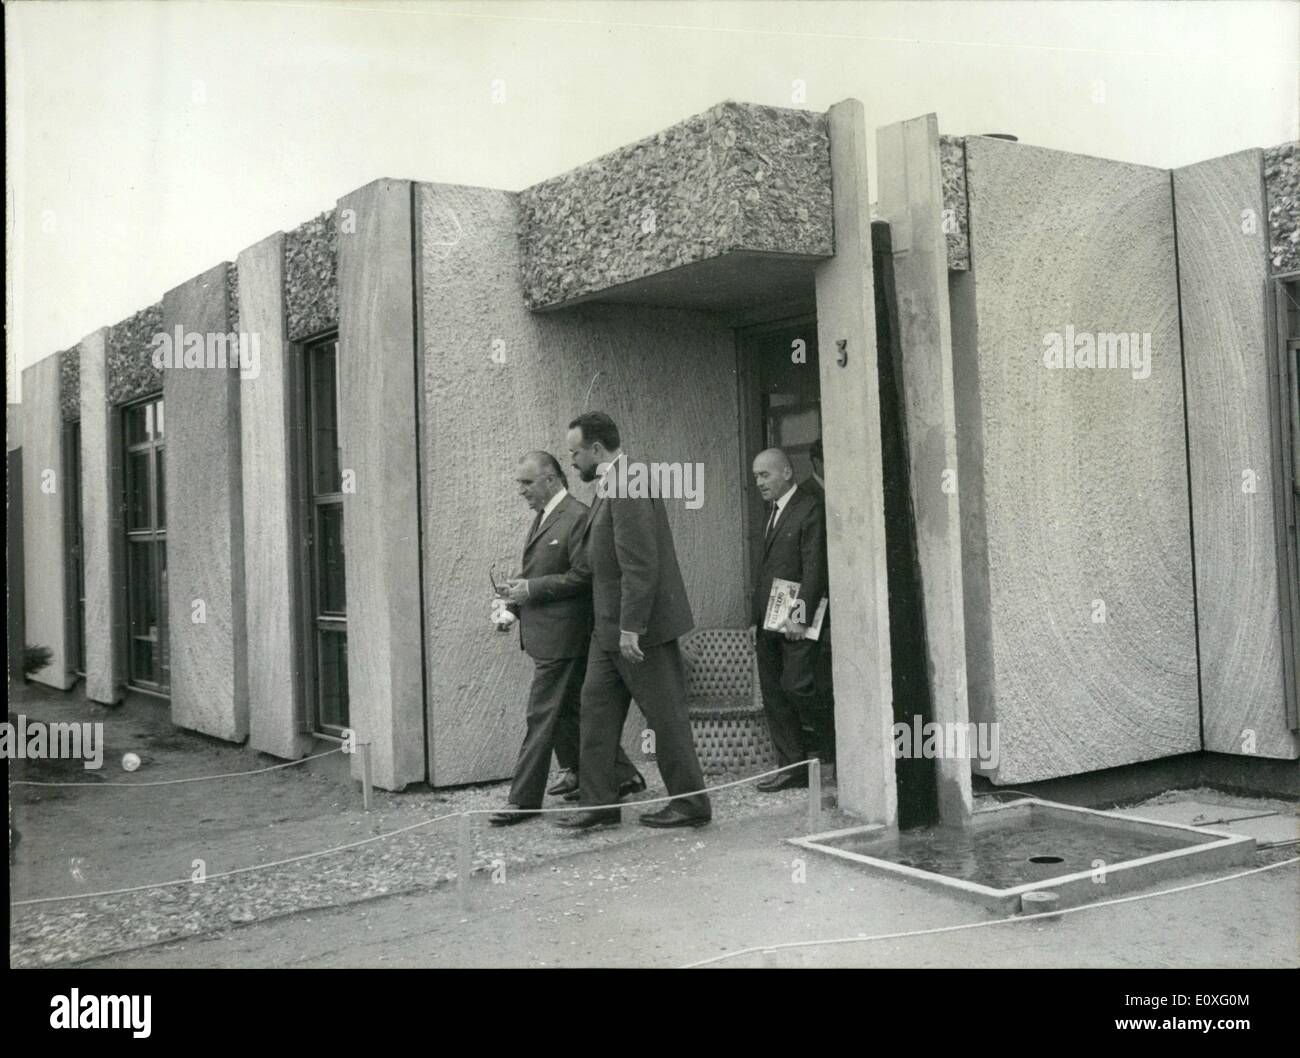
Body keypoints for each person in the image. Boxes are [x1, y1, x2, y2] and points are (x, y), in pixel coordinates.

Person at [556, 412, 711, 832]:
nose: (571, 461)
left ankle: (692, 804)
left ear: (596, 449)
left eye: (574, 453)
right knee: (595, 714)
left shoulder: (628, 482)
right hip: (608, 631)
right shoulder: (614, 483)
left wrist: (631, 629)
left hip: (637, 633)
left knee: (666, 719)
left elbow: (640, 566)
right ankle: (600, 804)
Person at [489, 451, 643, 826]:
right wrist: (514, 603)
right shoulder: (547, 516)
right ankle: (624, 776)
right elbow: (545, 575)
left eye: (526, 483)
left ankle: (523, 800)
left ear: (551, 480)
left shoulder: (575, 516)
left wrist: (530, 590)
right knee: (568, 713)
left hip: (565, 638)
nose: (521, 491)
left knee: (541, 715)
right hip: (553, 636)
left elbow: (584, 576)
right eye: (519, 484)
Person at [750, 447, 834, 790]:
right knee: (774, 693)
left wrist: (799, 616)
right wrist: (757, 619)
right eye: (755, 476)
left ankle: (838, 745)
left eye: (764, 475)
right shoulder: (772, 512)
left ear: (786, 473)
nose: (758, 482)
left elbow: (814, 568)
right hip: (770, 620)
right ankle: (793, 767)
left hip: (796, 621)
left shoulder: (809, 508)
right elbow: (771, 570)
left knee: (796, 686)